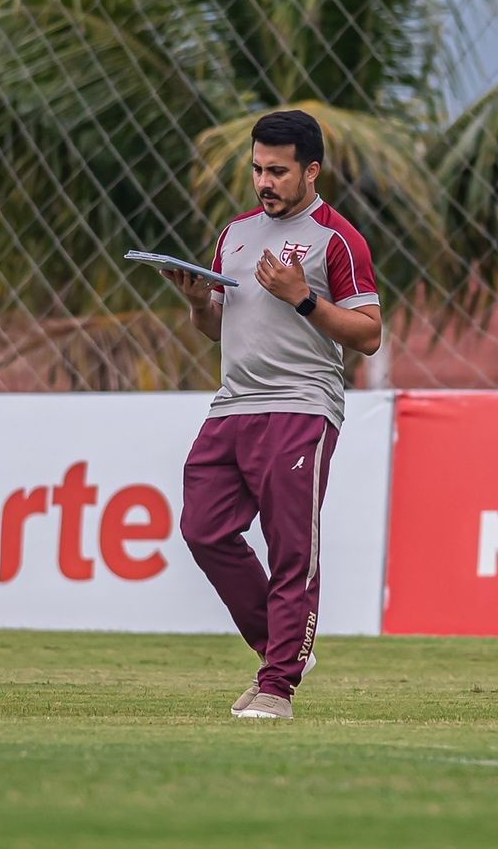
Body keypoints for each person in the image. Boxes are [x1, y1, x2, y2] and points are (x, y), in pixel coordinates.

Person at [161, 109, 382, 720]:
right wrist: (196, 304)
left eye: (278, 171)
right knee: (202, 529)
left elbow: (369, 335)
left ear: (311, 171)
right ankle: (283, 649)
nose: (264, 182)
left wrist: (303, 298)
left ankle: (277, 687)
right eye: (258, 169)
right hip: (233, 404)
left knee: (291, 552)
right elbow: (216, 327)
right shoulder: (233, 233)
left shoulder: (338, 239)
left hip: (301, 406)